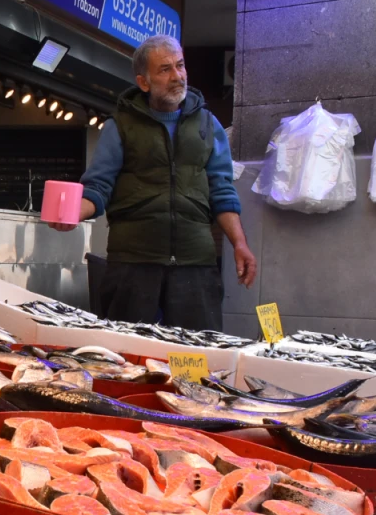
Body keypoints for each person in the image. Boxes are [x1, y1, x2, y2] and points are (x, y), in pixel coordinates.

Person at [70, 34, 256, 331]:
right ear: (144, 82)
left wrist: (240, 244)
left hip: (195, 264)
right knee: (128, 360)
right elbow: (98, 186)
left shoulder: (209, 125)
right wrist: (72, 215)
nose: (177, 76)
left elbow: (222, 191)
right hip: (133, 264)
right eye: (165, 69)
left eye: (180, 66)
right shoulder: (120, 126)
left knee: (198, 360)